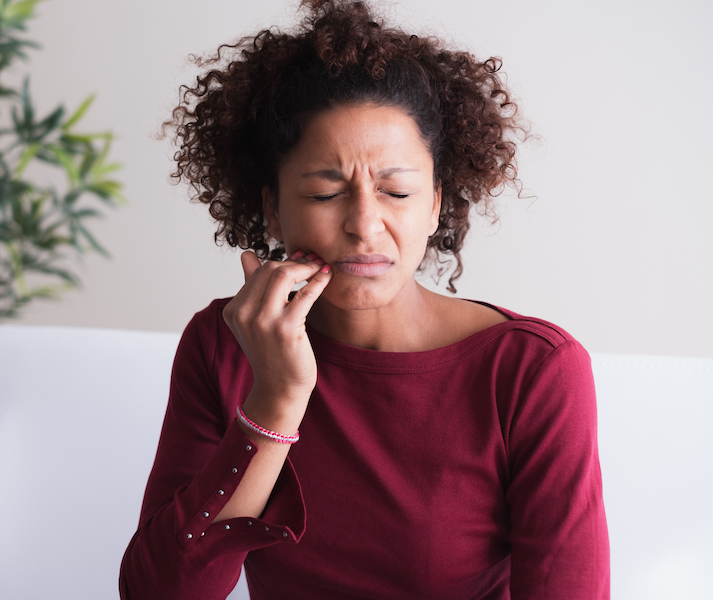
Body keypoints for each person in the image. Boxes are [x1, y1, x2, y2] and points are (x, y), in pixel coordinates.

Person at [119, 1, 610, 598]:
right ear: (272, 207)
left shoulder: (532, 371)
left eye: (396, 192)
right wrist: (276, 400)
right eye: (325, 195)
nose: (365, 226)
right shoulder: (226, 343)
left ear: (435, 204)